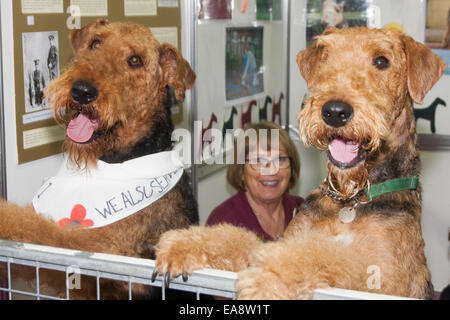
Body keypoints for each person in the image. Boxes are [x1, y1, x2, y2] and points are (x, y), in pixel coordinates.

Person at [206, 121, 303, 241]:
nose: (271, 170)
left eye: (280, 159)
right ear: (241, 171)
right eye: (258, 160)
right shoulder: (223, 222)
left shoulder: (302, 211)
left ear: (292, 167)